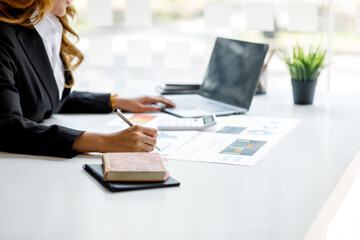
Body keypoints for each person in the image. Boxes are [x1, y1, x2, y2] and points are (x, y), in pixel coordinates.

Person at [0, 0, 175, 158]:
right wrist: (104, 142)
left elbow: (49, 98)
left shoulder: (48, 24)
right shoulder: (4, 34)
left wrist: (116, 101)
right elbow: (6, 127)